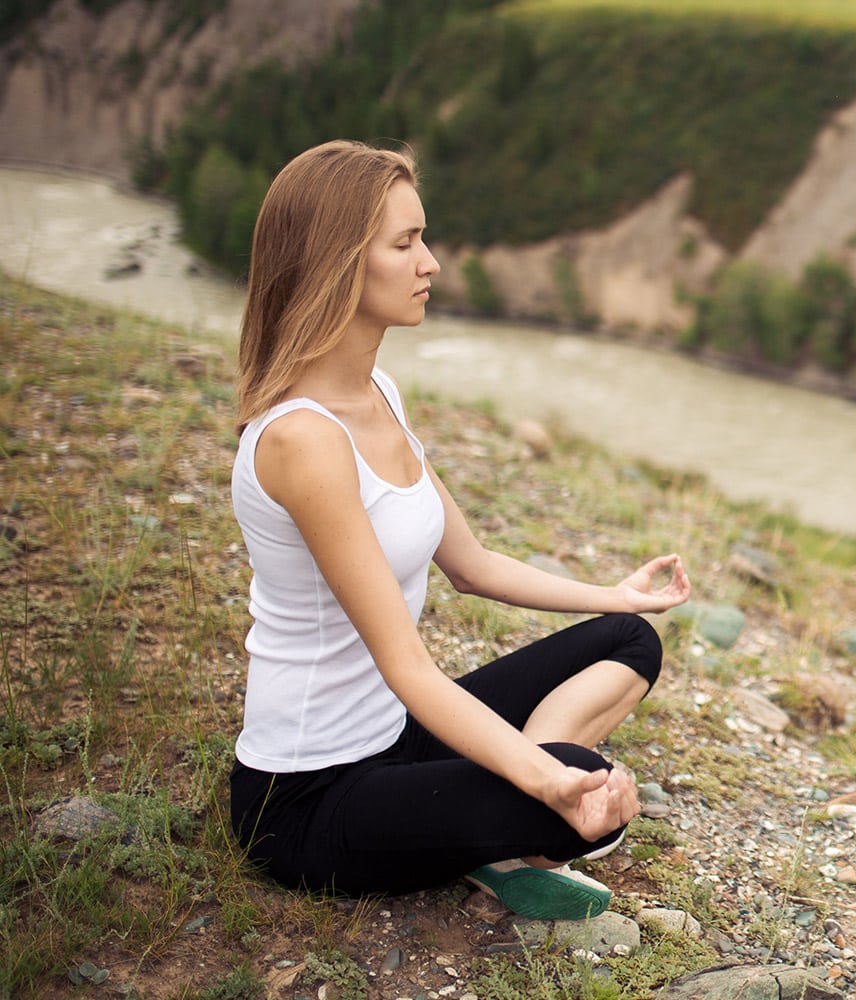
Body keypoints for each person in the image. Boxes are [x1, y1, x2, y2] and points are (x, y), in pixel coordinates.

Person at [229, 139, 691, 920]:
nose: (432, 262)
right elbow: (408, 665)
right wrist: (548, 779)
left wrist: (614, 594)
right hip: (307, 799)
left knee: (627, 639)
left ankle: (506, 813)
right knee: (572, 791)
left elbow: (471, 564)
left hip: (395, 737)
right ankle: (515, 826)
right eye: (406, 243)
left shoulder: (379, 391)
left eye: (423, 238)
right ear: (340, 262)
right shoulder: (302, 440)